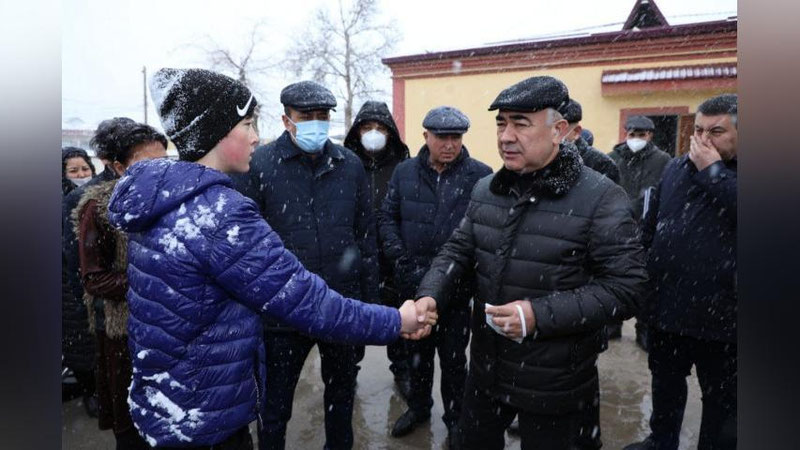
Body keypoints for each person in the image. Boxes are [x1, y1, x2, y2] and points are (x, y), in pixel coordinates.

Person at [106, 68, 436, 449]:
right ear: (216, 132)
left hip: (176, 399)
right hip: (211, 403)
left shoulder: (166, 200)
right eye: (246, 123)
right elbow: (304, 300)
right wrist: (396, 320)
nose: (255, 135)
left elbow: (363, 239)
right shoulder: (220, 212)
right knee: (275, 413)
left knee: (339, 399)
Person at [414, 75, 649, 449]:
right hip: (487, 369)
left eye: (520, 123)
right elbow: (457, 251)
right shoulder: (487, 190)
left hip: (556, 379)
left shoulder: (601, 197)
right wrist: (430, 294)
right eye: (501, 123)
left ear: (558, 130)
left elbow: (627, 288)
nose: (506, 136)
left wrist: (538, 314)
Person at [232, 80, 382, 450]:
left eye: (322, 116)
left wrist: (369, 303)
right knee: (275, 405)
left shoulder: (350, 165)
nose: (316, 123)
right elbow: (246, 246)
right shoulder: (260, 165)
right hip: (282, 311)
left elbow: (366, 238)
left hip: (340, 305)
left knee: (342, 397)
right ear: (287, 120)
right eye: (306, 117)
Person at [624, 94, 738, 450]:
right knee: (665, 384)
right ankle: (662, 441)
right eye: (699, 130)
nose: (704, 140)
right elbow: (653, 223)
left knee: (722, 400)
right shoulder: (675, 167)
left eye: (716, 131)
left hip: (725, 317)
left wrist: (714, 172)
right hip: (669, 307)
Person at [378, 106, 491, 445]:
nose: (449, 144)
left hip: (456, 291)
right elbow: (387, 220)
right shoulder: (404, 173)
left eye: (456, 137)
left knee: (455, 362)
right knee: (417, 358)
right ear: (425, 136)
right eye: (442, 137)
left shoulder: (480, 177)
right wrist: (402, 263)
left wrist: (459, 273)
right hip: (411, 286)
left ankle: (455, 417)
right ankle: (418, 408)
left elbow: (484, 232)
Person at [73, 119, 169, 449]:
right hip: (124, 334)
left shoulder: (173, 199)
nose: (158, 170)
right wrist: (153, 285)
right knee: (132, 425)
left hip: (171, 327)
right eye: (146, 163)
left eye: (163, 161)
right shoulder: (98, 208)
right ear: (118, 167)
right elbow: (94, 278)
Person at [342, 100, 412, 399]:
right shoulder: (344, 165)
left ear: (390, 133)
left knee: (397, 320)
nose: (374, 133)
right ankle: (347, 372)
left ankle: (404, 372)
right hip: (354, 259)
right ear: (357, 132)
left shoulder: (403, 168)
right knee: (352, 321)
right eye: (367, 127)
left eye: (380, 128)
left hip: (392, 258)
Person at [608, 115, 671, 348]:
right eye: (632, 134)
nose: (636, 139)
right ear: (626, 134)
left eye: (641, 135)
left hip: (648, 229)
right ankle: (612, 324)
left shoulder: (663, 161)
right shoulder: (612, 159)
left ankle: (643, 328)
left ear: (650, 136)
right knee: (613, 276)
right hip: (615, 227)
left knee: (646, 281)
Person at [61, 147, 98, 417]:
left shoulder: (96, 197)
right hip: (65, 284)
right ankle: (89, 392)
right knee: (79, 343)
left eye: (85, 169)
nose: (81, 175)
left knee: (95, 340)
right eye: (73, 171)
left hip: (91, 278)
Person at [559, 100, 620, 184]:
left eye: (558, 129)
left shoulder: (601, 164)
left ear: (576, 132)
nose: (551, 134)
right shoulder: (540, 160)